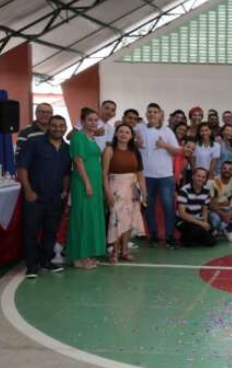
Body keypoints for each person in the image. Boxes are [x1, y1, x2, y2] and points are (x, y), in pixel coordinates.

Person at [16, 114, 71, 278]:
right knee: (31, 231)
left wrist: (65, 192)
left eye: (62, 126)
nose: (58, 129)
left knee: (51, 231)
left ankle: (46, 261)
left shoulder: (66, 148)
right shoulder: (33, 143)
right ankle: (32, 266)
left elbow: (67, 173)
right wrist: (28, 190)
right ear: (49, 126)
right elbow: (22, 168)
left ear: (65, 128)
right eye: (54, 125)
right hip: (35, 197)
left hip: (55, 198)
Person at [135, 103, 180, 248]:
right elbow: (126, 141)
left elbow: (177, 151)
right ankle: (153, 235)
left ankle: (169, 237)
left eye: (155, 112)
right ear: (146, 114)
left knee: (168, 207)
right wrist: (136, 143)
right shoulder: (139, 128)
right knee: (148, 207)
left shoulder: (167, 131)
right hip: (146, 176)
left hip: (165, 177)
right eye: (149, 112)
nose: (152, 114)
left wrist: (165, 145)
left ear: (160, 114)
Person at [67, 108, 106, 268]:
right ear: (82, 121)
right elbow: (78, 161)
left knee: (91, 217)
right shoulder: (78, 137)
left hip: (94, 181)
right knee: (81, 217)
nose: (93, 123)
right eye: (90, 120)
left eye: (96, 120)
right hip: (83, 182)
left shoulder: (91, 138)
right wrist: (87, 183)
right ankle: (78, 257)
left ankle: (87, 253)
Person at [102, 123, 146, 263]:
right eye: (121, 131)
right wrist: (108, 193)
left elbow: (140, 174)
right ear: (116, 134)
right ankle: (114, 251)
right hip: (115, 190)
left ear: (131, 136)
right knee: (115, 220)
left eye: (127, 132)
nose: (123, 134)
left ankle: (124, 251)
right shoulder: (109, 150)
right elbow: (104, 174)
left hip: (132, 190)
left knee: (128, 221)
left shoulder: (135, 152)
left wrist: (144, 193)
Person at [176, 167, 215, 247]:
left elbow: (205, 209)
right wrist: (201, 224)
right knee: (198, 230)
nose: (200, 179)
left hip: (197, 219)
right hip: (184, 221)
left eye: (203, 177)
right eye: (198, 176)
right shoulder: (184, 190)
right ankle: (184, 239)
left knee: (211, 242)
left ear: (205, 179)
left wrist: (205, 222)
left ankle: (194, 237)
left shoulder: (206, 190)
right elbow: (182, 214)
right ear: (193, 176)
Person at [207, 161, 232, 241]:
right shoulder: (212, 181)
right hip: (214, 210)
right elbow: (209, 203)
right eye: (224, 168)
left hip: (227, 208)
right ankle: (220, 228)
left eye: (230, 169)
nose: (227, 171)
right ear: (220, 170)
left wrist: (230, 213)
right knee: (216, 221)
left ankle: (228, 229)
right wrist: (223, 215)